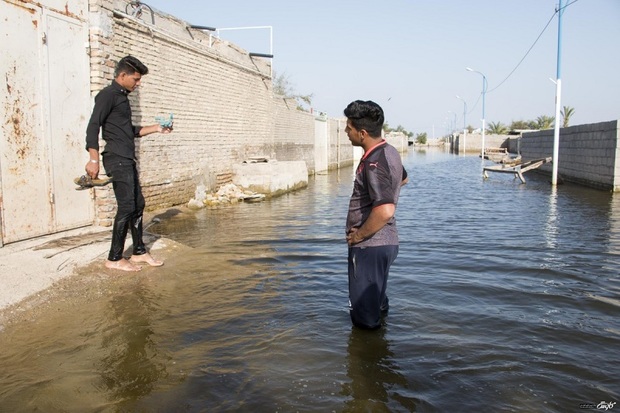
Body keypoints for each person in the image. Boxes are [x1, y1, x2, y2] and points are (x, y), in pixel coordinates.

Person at [85, 55, 173, 272]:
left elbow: (129, 131)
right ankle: (114, 258)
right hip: (116, 158)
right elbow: (92, 127)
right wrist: (93, 158)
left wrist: (157, 129)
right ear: (122, 75)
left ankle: (139, 252)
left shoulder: (122, 98)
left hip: (126, 158)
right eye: (135, 79)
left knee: (138, 204)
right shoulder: (107, 96)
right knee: (126, 206)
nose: (138, 83)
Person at [344, 100, 406, 329]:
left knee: (364, 318)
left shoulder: (374, 162)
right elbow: (404, 178)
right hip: (385, 244)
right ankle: (381, 354)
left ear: (361, 133)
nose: (345, 132)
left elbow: (386, 209)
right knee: (377, 306)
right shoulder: (389, 152)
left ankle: (368, 361)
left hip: (370, 246)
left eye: (348, 128)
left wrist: (358, 236)